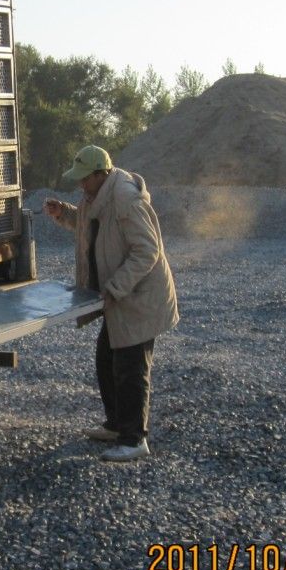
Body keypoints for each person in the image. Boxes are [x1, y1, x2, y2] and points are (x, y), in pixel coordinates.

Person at [43, 145, 178, 462]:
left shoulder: (126, 200)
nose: (80, 184)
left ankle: (134, 440)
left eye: (84, 178)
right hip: (120, 298)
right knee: (107, 360)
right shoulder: (96, 196)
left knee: (131, 368)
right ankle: (118, 425)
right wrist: (64, 213)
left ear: (101, 174)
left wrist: (115, 287)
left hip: (138, 298)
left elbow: (147, 251)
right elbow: (91, 226)